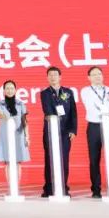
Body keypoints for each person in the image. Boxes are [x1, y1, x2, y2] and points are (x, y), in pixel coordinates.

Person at [80, 66, 109, 198]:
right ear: (89, 78)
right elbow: (91, 105)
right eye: (94, 75)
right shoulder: (85, 91)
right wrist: (104, 109)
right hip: (94, 126)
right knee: (94, 159)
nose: (97, 76)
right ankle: (96, 189)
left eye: (99, 74)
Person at [40, 66, 77, 197]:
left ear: (60, 77)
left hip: (65, 131)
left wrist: (73, 130)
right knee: (50, 159)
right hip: (50, 131)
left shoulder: (68, 92)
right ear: (47, 77)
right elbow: (48, 110)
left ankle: (63, 187)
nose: (53, 77)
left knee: (64, 159)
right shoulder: (44, 93)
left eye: (55, 75)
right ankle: (49, 189)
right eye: (50, 75)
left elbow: (73, 112)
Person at [0, 80, 30, 165]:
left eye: (11, 88)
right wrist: (8, 118)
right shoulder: (0, 104)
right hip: (5, 135)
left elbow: (24, 121)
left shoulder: (20, 104)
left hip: (19, 135)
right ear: (4, 91)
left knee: (18, 162)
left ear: (15, 90)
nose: (9, 90)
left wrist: (27, 136)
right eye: (7, 88)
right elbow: (0, 114)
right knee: (7, 162)